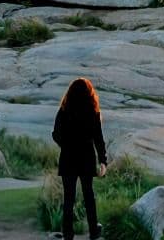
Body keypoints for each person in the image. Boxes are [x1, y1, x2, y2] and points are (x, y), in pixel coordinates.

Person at [51, 77, 107, 240]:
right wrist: (103, 161)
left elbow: (55, 134)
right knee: (89, 195)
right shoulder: (93, 112)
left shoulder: (64, 111)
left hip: (68, 158)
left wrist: (66, 145)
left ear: (70, 92)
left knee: (69, 197)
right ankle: (93, 231)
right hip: (86, 158)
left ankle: (68, 234)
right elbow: (99, 139)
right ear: (90, 93)